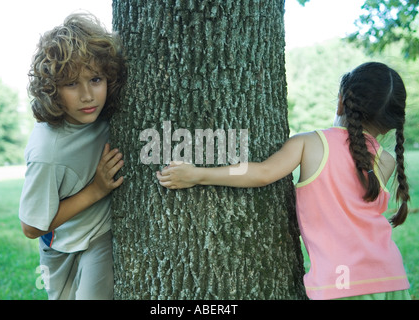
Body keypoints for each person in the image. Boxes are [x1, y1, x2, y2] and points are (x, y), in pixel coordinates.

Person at [156, 62, 411, 300]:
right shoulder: (385, 160)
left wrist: (199, 174)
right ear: (389, 126)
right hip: (392, 277)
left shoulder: (311, 143)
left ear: (341, 102)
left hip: (340, 285)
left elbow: (261, 173)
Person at [19, 13, 127, 300]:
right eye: (71, 84)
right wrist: (97, 190)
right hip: (57, 246)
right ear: (52, 90)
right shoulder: (47, 152)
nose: (88, 95)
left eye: (95, 79)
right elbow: (31, 227)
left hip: (97, 235)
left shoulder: (111, 115)